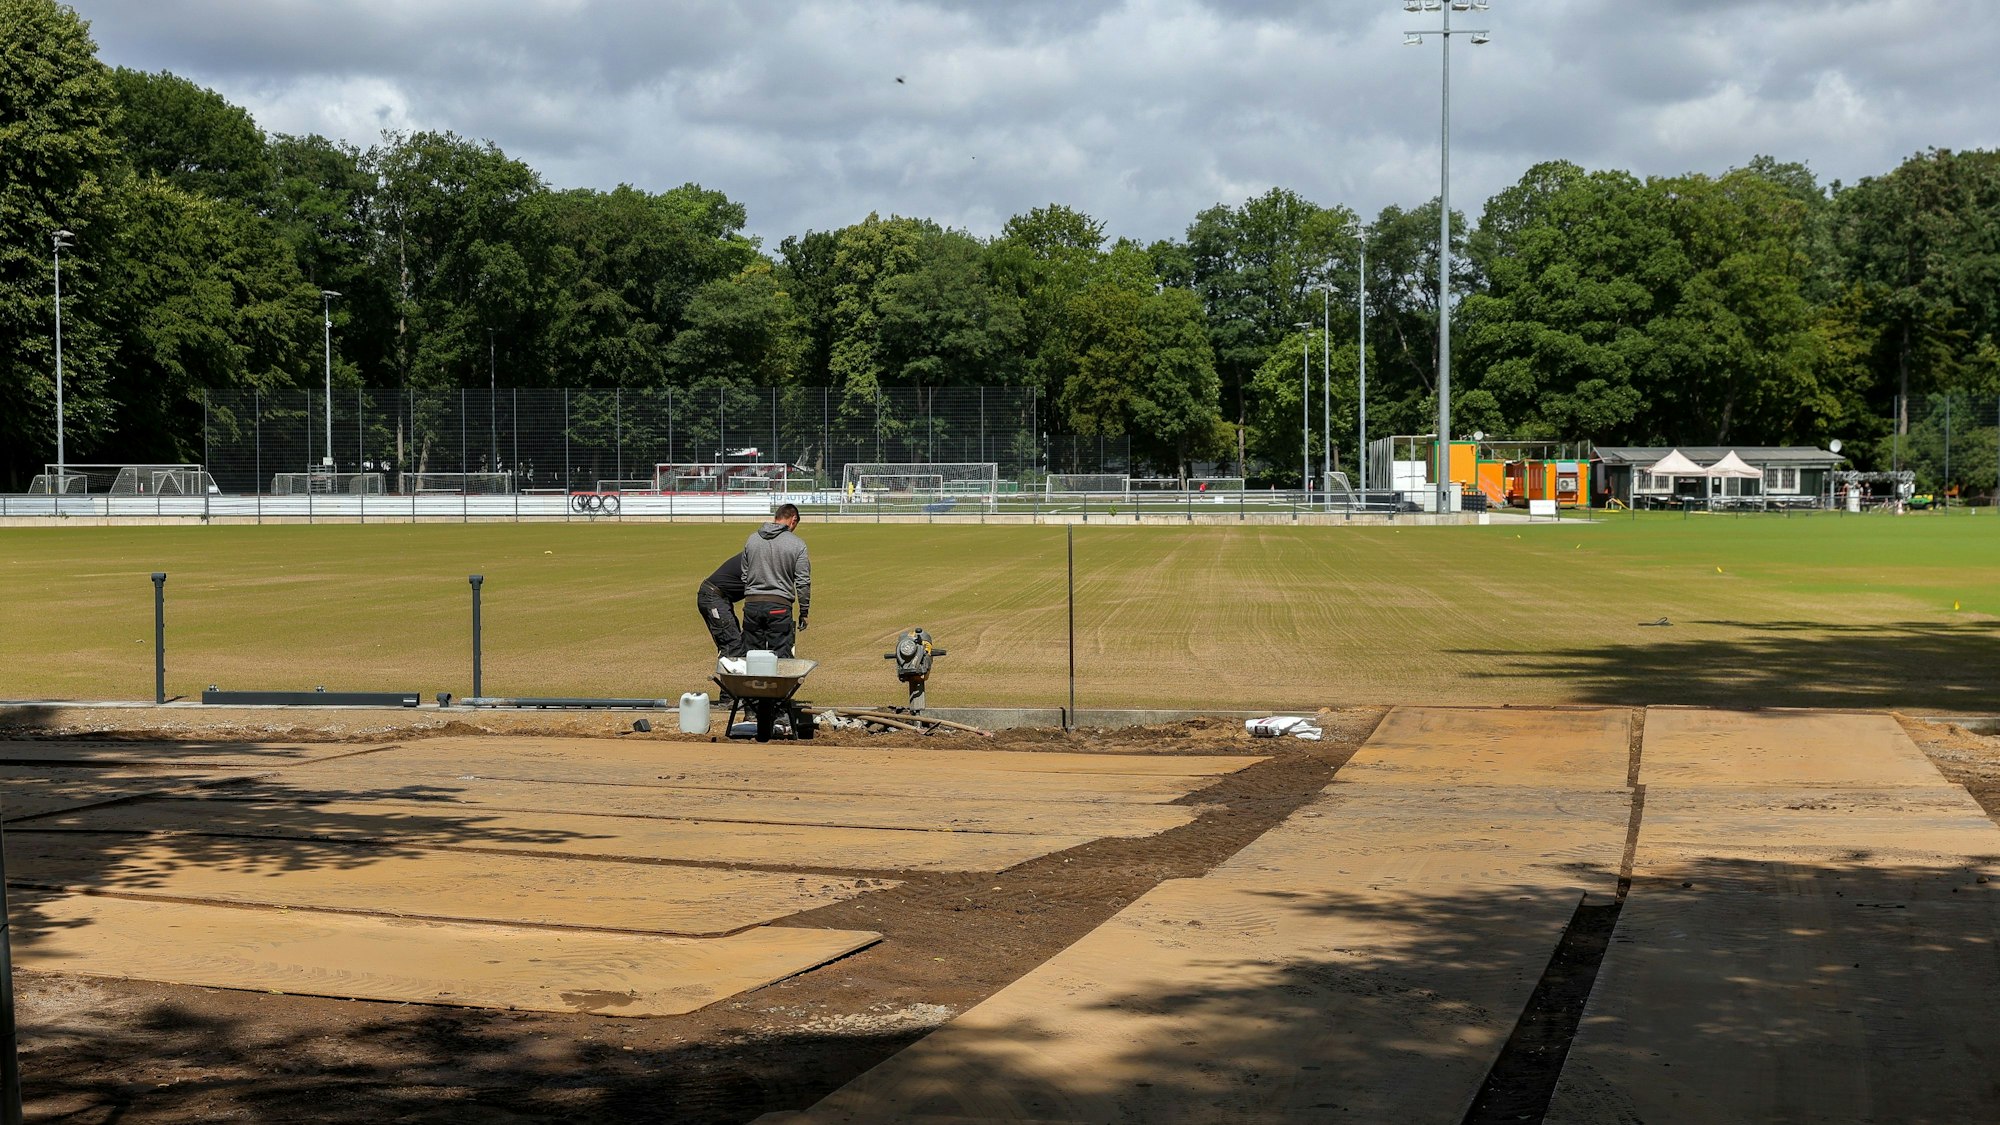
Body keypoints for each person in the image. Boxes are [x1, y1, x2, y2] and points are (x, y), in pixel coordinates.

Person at [740, 502, 811, 658]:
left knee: (751, 657)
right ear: (793, 519)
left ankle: (753, 682)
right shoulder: (797, 544)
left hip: (752, 606)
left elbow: (744, 575)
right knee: (781, 660)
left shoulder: (752, 540)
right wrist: (804, 611)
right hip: (779, 606)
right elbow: (803, 582)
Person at [697, 553, 747, 659]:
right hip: (712, 596)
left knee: (736, 643)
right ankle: (729, 674)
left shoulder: (759, 552)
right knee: (732, 646)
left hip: (719, 597)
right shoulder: (758, 557)